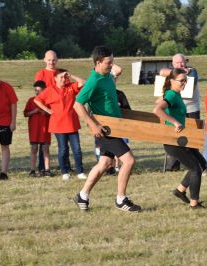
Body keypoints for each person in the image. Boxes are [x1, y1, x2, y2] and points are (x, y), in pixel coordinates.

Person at [73, 45, 141, 212]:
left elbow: (118, 69)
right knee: (129, 160)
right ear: (98, 62)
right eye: (108, 62)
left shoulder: (106, 76)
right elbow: (77, 104)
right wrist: (93, 124)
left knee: (104, 163)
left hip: (115, 127)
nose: (112, 65)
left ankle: (82, 195)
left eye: (112, 61)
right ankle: (121, 199)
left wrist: (110, 61)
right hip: (107, 130)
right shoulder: (94, 81)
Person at [153, 68, 206, 209]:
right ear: (172, 81)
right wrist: (175, 122)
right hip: (172, 141)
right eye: (181, 81)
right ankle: (194, 203)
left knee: (202, 164)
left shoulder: (175, 94)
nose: (184, 83)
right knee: (196, 169)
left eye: (186, 81)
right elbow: (157, 110)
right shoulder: (171, 94)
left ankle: (180, 190)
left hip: (181, 138)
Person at [34, 69, 87, 181]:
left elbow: (84, 82)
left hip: (72, 124)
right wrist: (48, 110)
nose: (63, 79)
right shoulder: (50, 90)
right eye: (60, 77)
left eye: (64, 77)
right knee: (63, 149)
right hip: (58, 125)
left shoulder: (71, 87)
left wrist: (71, 75)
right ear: (55, 78)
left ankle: (80, 171)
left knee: (77, 149)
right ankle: (65, 172)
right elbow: (37, 100)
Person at [159, 53, 200, 171]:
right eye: (177, 63)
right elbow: (162, 72)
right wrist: (178, 73)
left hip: (191, 108)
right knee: (175, 137)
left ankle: (193, 162)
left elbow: (192, 81)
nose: (181, 64)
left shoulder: (193, 71)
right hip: (176, 110)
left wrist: (183, 73)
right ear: (173, 64)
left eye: (182, 62)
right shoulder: (175, 73)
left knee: (192, 137)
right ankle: (173, 165)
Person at [34, 50, 59, 174]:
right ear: (44, 60)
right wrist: (44, 108)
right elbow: (39, 92)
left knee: (62, 139)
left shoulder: (60, 73)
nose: (51, 62)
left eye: (53, 60)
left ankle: (66, 164)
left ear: (57, 60)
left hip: (58, 109)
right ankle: (42, 166)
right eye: (49, 60)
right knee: (43, 139)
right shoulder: (40, 73)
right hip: (45, 109)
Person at [23, 80, 52, 177]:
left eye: (38, 90)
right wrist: (34, 111)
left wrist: (46, 112)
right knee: (34, 149)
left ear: (44, 90)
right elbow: (25, 113)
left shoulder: (48, 100)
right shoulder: (31, 100)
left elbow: (53, 112)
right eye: (35, 90)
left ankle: (47, 170)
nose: (36, 92)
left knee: (45, 149)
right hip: (34, 129)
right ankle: (32, 170)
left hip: (45, 129)